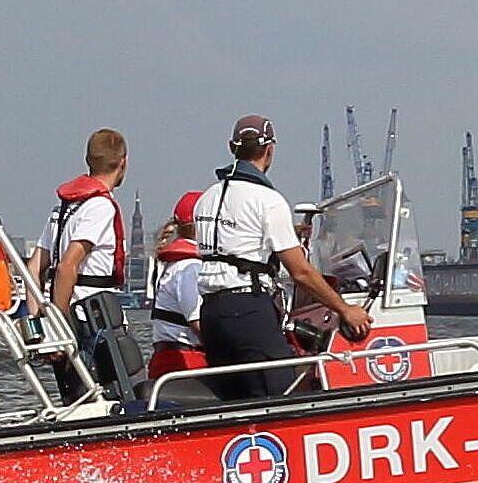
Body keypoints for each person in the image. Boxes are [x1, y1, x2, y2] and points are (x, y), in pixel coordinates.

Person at [195, 114, 371, 400]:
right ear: (270, 149)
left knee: (231, 403)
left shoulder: (207, 198)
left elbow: (235, 242)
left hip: (212, 315)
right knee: (278, 397)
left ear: (232, 148)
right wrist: (345, 309)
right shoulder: (268, 200)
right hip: (248, 310)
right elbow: (299, 272)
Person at [27, 128, 128, 401]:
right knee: (110, 395)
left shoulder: (63, 208)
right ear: (123, 163)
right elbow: (67, 265)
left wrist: (39, 323)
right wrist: (60, 328)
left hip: (66, 315)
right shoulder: (99, 207)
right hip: (90, 321)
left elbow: (34, 267)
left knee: (74, 397)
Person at [147, 190, 206, 382]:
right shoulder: (190, 268)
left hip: (166, 361)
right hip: (183, 363)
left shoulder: (170, 264)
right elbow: (197, 323)